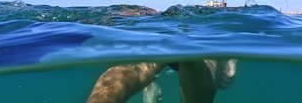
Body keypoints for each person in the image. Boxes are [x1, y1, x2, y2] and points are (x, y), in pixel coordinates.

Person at [86, 59, 237, 103]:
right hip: (197, 42)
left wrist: (232, 60)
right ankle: (150, 83)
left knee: (142, 63)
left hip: (171, 36)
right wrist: (231, 60)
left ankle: (150, 82)